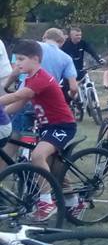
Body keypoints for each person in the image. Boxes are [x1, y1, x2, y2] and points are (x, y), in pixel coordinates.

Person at [0, 40, 78, 220]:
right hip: (46, 127)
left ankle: (46, 202)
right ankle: (71, 199)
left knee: (37, 156)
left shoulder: (41, 78)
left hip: (62, 126)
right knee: (48, 165)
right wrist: (3, 114)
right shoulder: (29, 78)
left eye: (21, 59)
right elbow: (19, 104)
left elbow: (19, 95)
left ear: (35, 59)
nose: (17, 63)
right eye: (16, 59)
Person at [40, 29, 79, 102]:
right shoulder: (67, 58)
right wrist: (71, 95)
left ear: (44, 38)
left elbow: (17, 69)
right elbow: (73, 88)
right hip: (48, 98)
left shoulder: (34, 47)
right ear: (62, 41)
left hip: (26, 95)